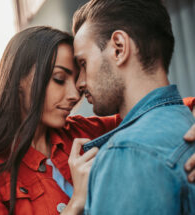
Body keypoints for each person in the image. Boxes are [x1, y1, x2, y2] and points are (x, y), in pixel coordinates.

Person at [0, 25, 195, 215]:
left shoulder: (83, 132)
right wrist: (75, 205)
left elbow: (160, 110)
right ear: (19, 79)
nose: (75, 95)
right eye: (59, 79)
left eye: (75, 81)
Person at [70, 0, 195, 214]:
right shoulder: (186, 123)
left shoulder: (128, 153)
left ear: (119, 48)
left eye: (83, 64)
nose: (80, 83)